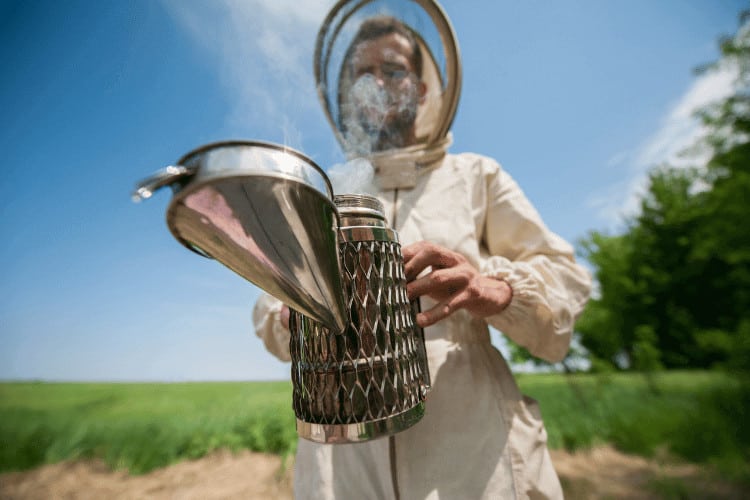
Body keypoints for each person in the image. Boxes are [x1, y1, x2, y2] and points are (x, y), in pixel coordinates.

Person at [253, 12, 591, 500]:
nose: (377, 83)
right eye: (361, 74)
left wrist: (496, 289)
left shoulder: (477, 175)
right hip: (342, 458)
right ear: (347, 94)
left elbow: (566, 278)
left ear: (423, 87)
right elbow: (268, 306)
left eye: (391, 70)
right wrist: (291, 310)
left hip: (474, 455)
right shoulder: (318, 191)